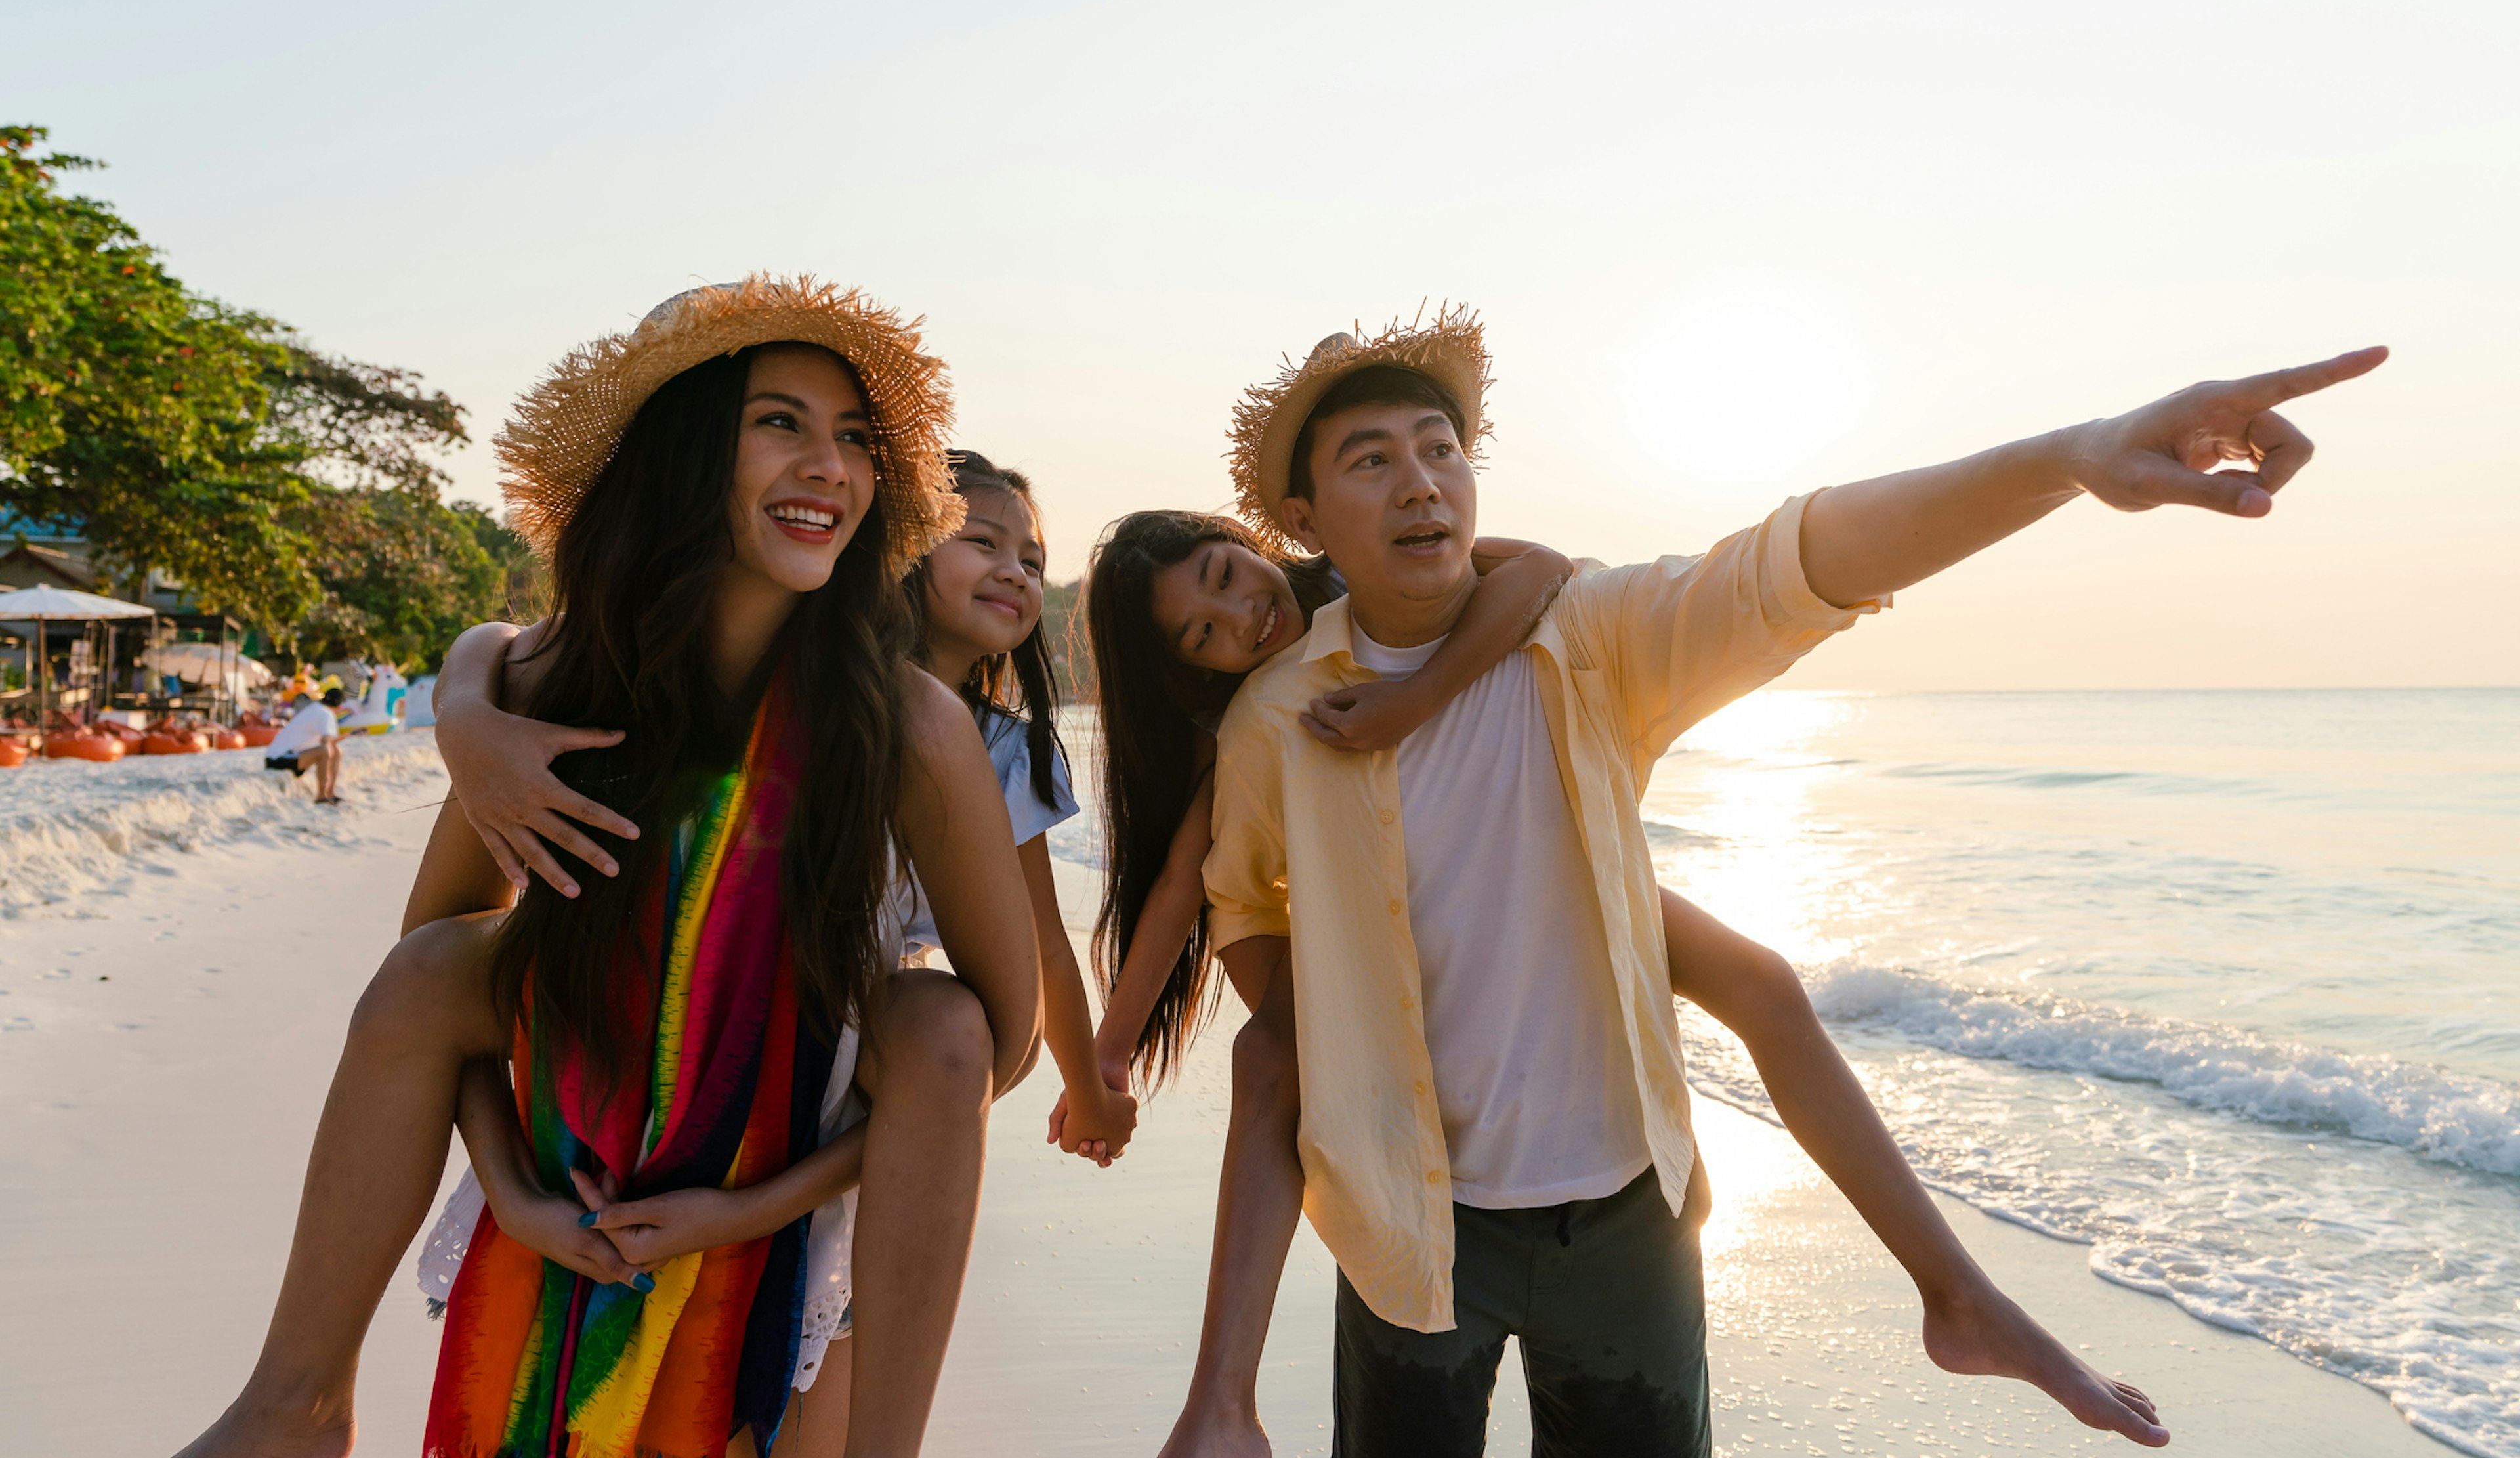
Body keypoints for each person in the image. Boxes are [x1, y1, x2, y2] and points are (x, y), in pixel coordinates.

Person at [1201, 308, 2384, 1456]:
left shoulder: (1590, 635)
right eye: (1373, 461)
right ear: (1305, 518)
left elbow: (1798, 561)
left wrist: (2070, 457)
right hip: (1406, 1227)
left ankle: (1960, 1302)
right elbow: (1244, 903)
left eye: (1440, 449)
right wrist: (1334, 1045)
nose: (1421, 484)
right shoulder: (1282, 717)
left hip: (1625, 1218)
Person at [173, 276, 1041, 1458]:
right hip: (584, 1119)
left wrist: (750, 1205)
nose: (830, 467)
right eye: (778, 422)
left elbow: (1003, 1048)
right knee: (431, 968)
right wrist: (512, 1191)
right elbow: (426, 988)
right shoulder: (555, 688)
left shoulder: (905, 725)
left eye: (853, 438)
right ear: (683, 454)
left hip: (805, 1140)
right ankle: (296, 1405)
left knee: (943, 1019)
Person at [1078, 507, 2157, 1458]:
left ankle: (1958, 1295)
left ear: (1252, 537)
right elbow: (1186, 881)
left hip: (1541, 880)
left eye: (1227, 575)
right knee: (1273, 1052)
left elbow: (1542, 567)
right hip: (1383, 930)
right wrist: (1113, 1049)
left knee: (1764, 983)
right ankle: (1220, 1403)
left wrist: (1417, 699)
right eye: (1204, 634)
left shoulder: (1366, 573)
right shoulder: (1268, 708)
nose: (1241, 616)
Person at [428, 444, 1128, 1443]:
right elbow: (504, 645)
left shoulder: (998, 745)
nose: (1015, 570)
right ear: (897, 547)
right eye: (982, 541)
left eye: (1034, 556)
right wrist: (462, 707)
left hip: (844, 1084)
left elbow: (1038, 949)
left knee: (807, 1399)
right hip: (681, 1044)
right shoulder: (781, 695)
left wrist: (1088, 1083)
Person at [264, 685, 345, 803]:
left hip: (275, 757)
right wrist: (350, 734)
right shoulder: (326, 713)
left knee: (335, 750)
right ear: (339, 705)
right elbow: (326, 741)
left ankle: (330, 792)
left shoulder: (315, 708)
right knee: (325, 751)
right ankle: (322, 795)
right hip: (280, 758)